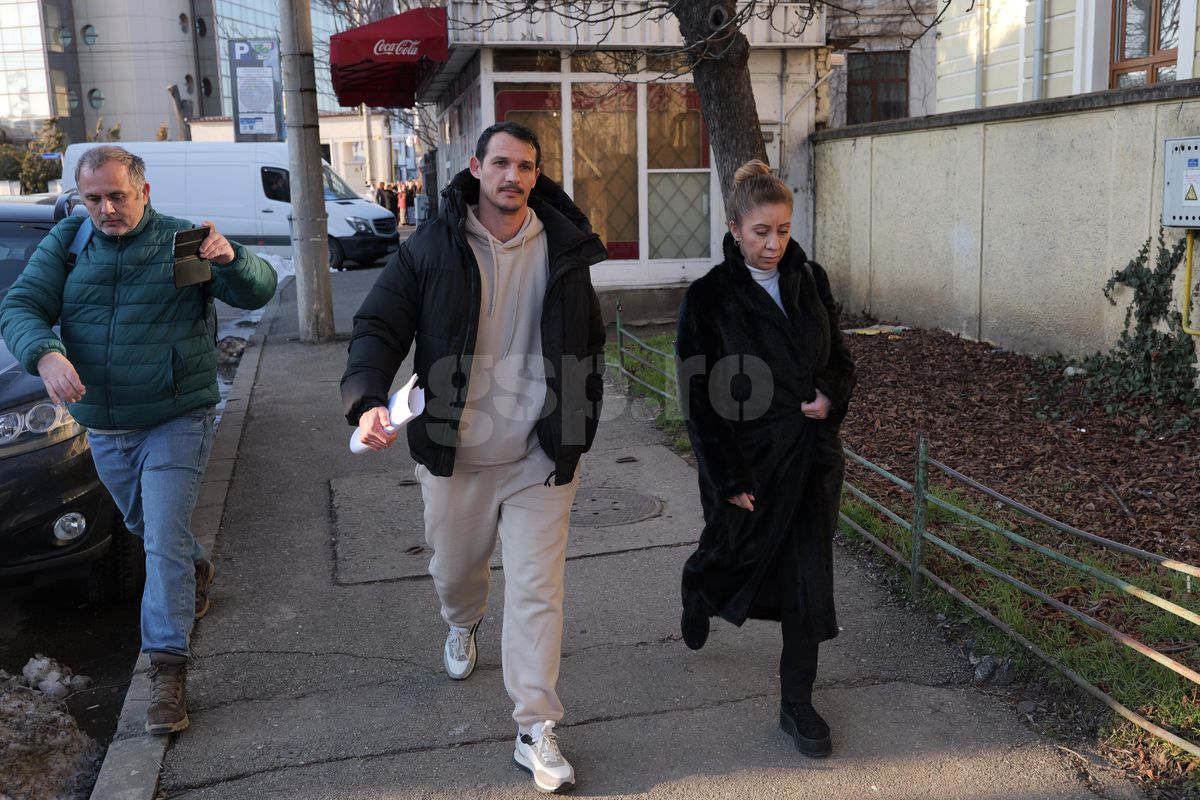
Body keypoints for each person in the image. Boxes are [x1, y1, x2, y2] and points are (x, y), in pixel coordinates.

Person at [341, 121, 606, 793]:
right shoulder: (433, 246)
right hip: (455, 452)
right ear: (477, 167)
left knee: (538, 591)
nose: (513, 176)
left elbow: (589, 342)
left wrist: (578, 425)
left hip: (539, 456)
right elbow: (379, 324)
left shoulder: (564, 248)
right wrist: (367, 398)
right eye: (502, 163)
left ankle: (535, 727)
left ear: (537, 175)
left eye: (526, 166)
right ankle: (462, 621)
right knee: (456, 570)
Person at [0, 145, 277, 735]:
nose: (106, 209)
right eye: (93, 198)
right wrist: (44, 353)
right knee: (146, 527)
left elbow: (256, 292)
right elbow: (20, 306)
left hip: (176, 417)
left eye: (117, 196)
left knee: (162, 541)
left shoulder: (182, 241)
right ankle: (196, 570)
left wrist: (232, 259)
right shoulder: (69, 242)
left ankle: (167, 671)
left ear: (143, 192)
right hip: (104, 426)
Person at [674, 159, 855, 758]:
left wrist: (831, 394)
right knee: (732, 557)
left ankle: (796, 702)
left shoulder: (810, 280)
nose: (774, 244)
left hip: (811, 461)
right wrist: (725, 475)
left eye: (783, 230)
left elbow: (839, 359)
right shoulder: (708, 299)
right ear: (734, 229)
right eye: (760, 232)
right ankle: (697, 586)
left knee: (807, 580)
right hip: (748, 465)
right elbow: (698, 399)